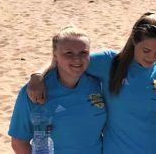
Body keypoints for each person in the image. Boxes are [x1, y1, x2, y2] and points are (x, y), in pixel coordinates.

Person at [27, 12, 156, 154]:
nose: (152, 57)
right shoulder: (109, 62)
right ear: (134, 41)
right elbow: (69, 60)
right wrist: (38, 75)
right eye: (146, 50)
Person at [8, 26, 107, 154]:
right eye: (68, 53)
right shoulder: (34, 91)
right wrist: (37, 75)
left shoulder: (97, 83)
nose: (77, 59)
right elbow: (19, 142)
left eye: (83, 53)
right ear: (55, 56)